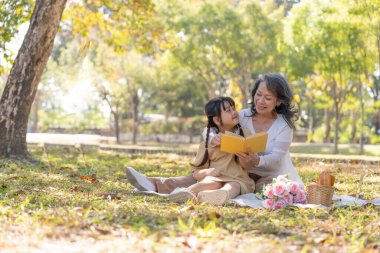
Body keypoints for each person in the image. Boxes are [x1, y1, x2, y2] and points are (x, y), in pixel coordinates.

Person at [125, 73, 303, 197]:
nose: (260, 101)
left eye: (268, 98)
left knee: (250, 187)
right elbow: (211, 125)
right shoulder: (243, 115)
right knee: (209, 175)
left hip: (268, 175)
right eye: (258, 94)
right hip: (239, 170)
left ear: (279, 101)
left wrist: (256, 161)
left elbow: (277, 157)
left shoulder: (284, 126)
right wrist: (212, 138)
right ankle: (153, 183)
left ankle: (204, 194)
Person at [167, 96, 255, 205]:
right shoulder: (209, 142)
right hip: (216, 178)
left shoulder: (245, 134)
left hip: (239, 179)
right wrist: (207, 172)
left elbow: (248, 167)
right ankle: (186, 192)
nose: (234, 112)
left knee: (233, 186)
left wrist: (245, 159)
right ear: (217, 120)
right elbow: (196, 172)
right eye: (228, 110)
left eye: (234, 108)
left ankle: (220, 194)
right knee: (210, 182)